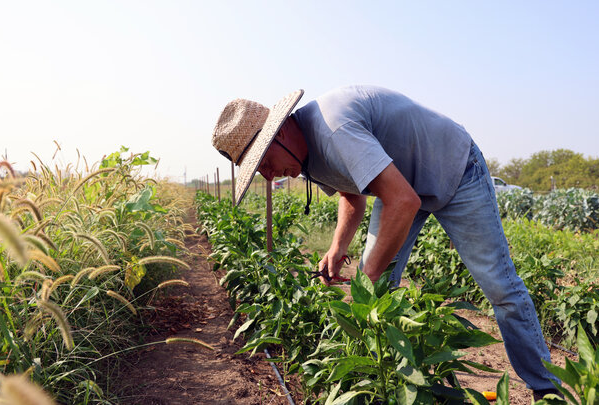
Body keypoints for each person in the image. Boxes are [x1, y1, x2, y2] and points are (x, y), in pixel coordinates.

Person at [210, 85, 561, 400]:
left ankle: (546, 388)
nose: (269, 176)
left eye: (267, 162)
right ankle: (392, 384)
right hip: (402, 186)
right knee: (375, 290)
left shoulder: (334, 131)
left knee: (499, 285)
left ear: (282, 132)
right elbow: (352, 195)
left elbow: (403, 202)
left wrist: (371, 274)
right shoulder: (304, 154)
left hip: (455, 169)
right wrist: (337, 248)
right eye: (260, 171)